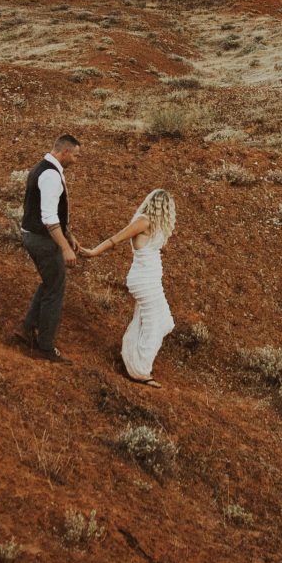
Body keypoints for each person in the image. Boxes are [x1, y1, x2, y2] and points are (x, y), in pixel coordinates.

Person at [87, 187, 177, 386]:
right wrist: (93, 252)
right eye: (166, 206)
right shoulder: (143, 221)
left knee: (164, 321)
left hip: (152, 279)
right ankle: (140, 371)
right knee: (154, 323)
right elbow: (115, 239)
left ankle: (130, 355)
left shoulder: (156, 225)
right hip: (144, 279)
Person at [16, 134, 83, 362]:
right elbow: (48, 217)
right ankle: (45, 346)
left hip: (36, 236)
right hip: (42, 239)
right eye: (74, 155)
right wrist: (64, 247)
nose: (75, 160)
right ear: (64, 152)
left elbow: (53, 212)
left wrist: (68, 234)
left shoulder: (44, 169)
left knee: (50, 282)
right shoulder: (50, 176)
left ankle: (28, 327)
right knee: (55, 288)